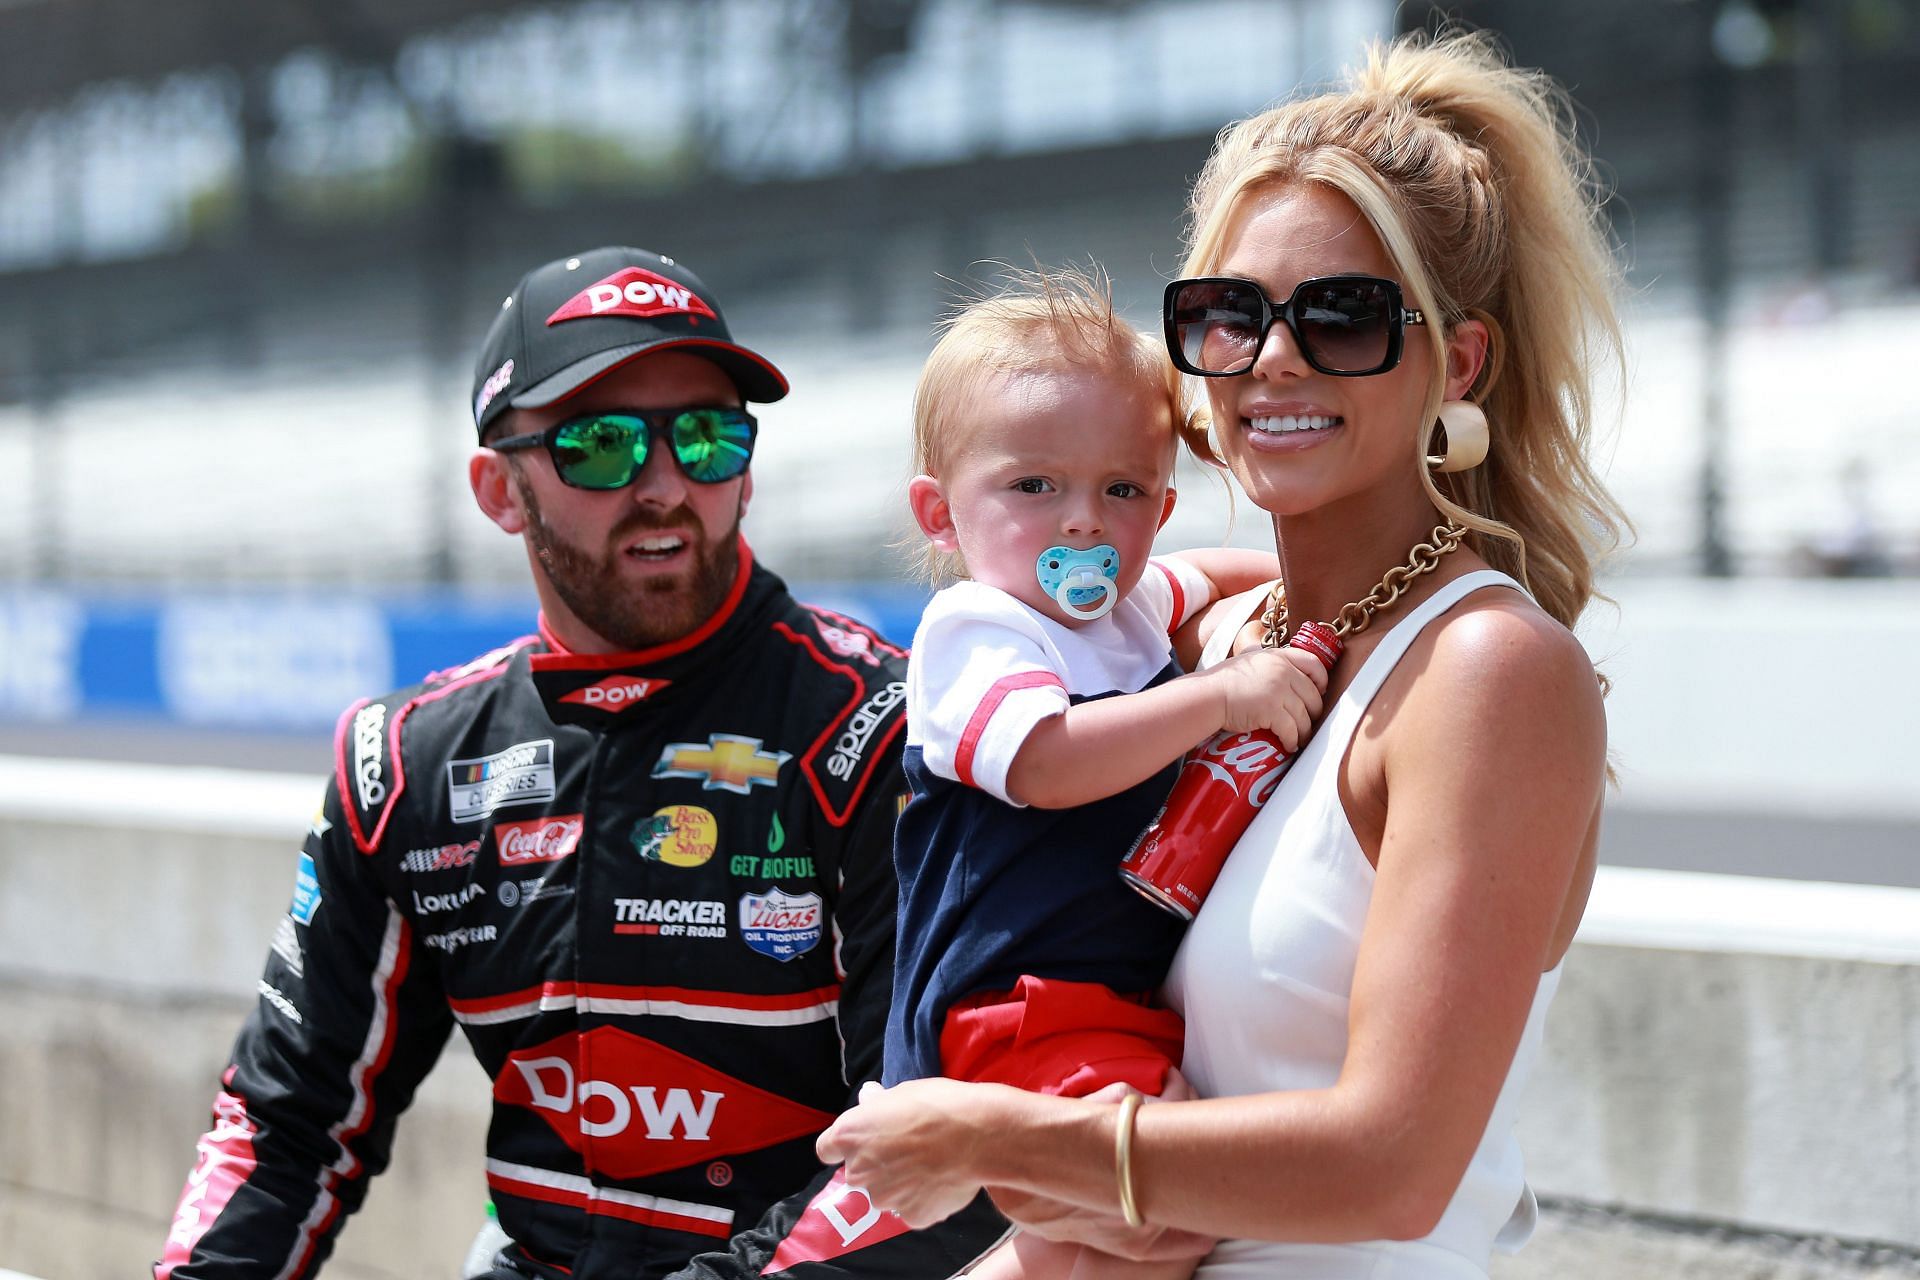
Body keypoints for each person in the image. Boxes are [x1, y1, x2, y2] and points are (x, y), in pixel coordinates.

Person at [819, 30, 1627, 1280]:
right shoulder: (1203, 640)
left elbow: (1396, 1163)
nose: (1277, 358)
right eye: (1229, 315)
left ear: (1458, 361)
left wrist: (993, 1130)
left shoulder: (1487, 671)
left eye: (1346, 315)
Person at [157, 246, 1005, 1280]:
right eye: (601, 446)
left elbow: (946, 1162)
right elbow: (286, 1123)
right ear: (499, 489)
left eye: (705, 435)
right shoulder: (407, 770)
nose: (663, 485)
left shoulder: (881, 730)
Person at [887, 267, 1327, 1277]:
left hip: (1099, 999)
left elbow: (1211, 575)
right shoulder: (978, 630)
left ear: (1161, 503)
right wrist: (1224, 694)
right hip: (1014, 1003)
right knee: (1160, 1206)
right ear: (941, 513)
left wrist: (1331, 589)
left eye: (1121, 489)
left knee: (1133, 1235)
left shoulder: (1122, 611)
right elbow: (1046, 762)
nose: (1083, 521)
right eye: (1034, 485)